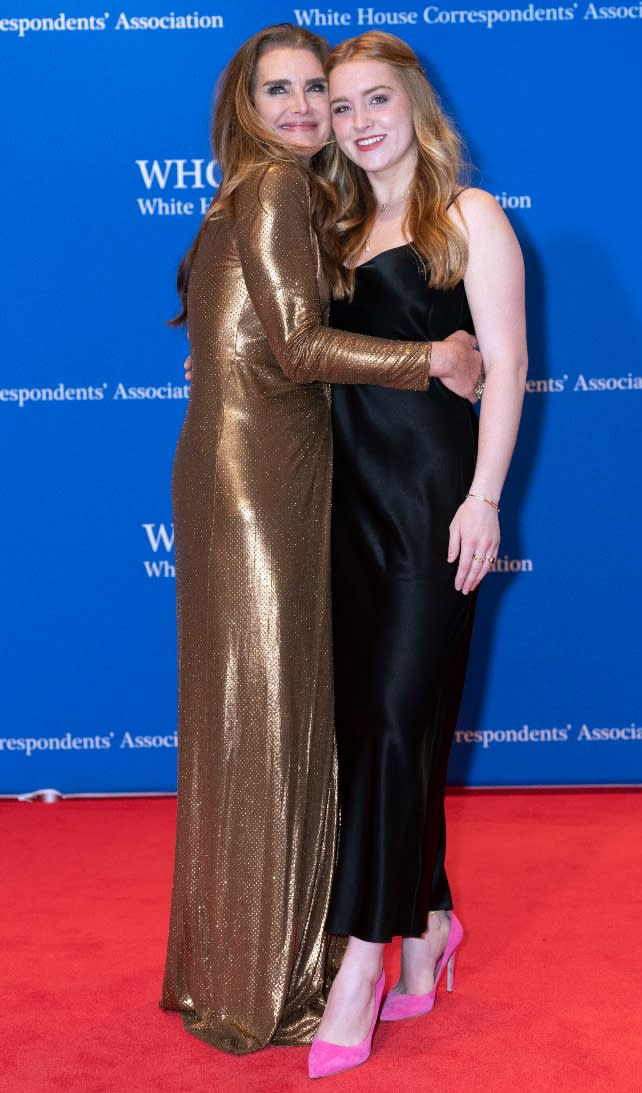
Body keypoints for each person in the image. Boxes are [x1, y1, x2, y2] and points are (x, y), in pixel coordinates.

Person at [160, 23, 481, 1056]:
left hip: (266, 479)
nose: (310, 110)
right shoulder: (279, 192)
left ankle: (369, 938)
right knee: (288, 719)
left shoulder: (266, 201)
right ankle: (290, 974)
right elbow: (298, 348)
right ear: (242, 103)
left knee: (282, 719)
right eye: (285, 91)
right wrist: (431, 356)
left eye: (324, 91)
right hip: (272, 488)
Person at [308, 32, 527, 1078]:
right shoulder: (329, 224)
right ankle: (432, 917)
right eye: (340, 106)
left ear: (415, 105)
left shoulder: (468, 216)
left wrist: (486, 499)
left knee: (397, 722)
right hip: (343, 512)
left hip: (436, 506)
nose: (358, 121)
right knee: (376, 729)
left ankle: (363, 959)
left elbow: (510, 365)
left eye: (375, 99)